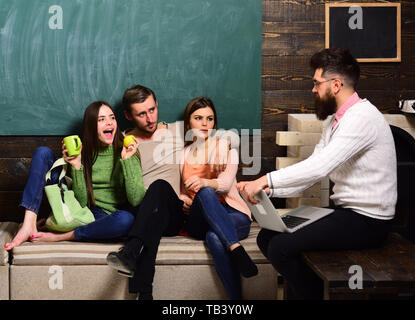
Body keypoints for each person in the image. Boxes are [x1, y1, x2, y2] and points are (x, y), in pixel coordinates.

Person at [238, 47, 397, 299]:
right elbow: (314, 168)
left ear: (335, 84)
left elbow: (319, 167)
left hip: (369, 221)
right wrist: (271, 189)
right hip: (346, 213)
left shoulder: (362, 117)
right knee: (267, 236)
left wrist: (263, 180)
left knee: (280, 247)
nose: (313, 89)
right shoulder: (335, 120)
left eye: (316, 83)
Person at [106, 86, 243, 300]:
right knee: (152, 214)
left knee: (160, 186)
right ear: (128, 116)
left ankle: (131, 250)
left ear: (157, 105)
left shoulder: (178, 131)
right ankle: (145, 293)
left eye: (152, 110)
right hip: (143, 209)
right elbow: (120, 186)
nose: (150, 118)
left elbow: (216, 137)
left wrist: (231, 168)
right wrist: (125, 160)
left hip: (173, 211)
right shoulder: (123, 141)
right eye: (141, 114)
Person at [4, 101, 145, 247]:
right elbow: (81, 203)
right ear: (91, 126)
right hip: (82, 210)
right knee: (43, 153)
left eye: (112, 118)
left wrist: (127, 161)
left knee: (125, 220)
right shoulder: (81, 151)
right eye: (101, 120)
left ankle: (63, 235)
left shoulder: (128, 150)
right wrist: (77, 165)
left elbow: (136, 200)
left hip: (106, 217)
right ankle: (29, 223)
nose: (109, 123)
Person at [179, 97, 258, 300]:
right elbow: (179, 190)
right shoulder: (182, 154)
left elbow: (225, 182)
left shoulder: (226, 147)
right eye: (199, 118)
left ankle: (236, 303)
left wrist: (206, 182)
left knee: (214, 237)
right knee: (205, 194)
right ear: (189, 123)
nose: (205, 124)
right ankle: (237, 249)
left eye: (210, 118)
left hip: (233, 213)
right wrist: (183, 200)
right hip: (199, 219)